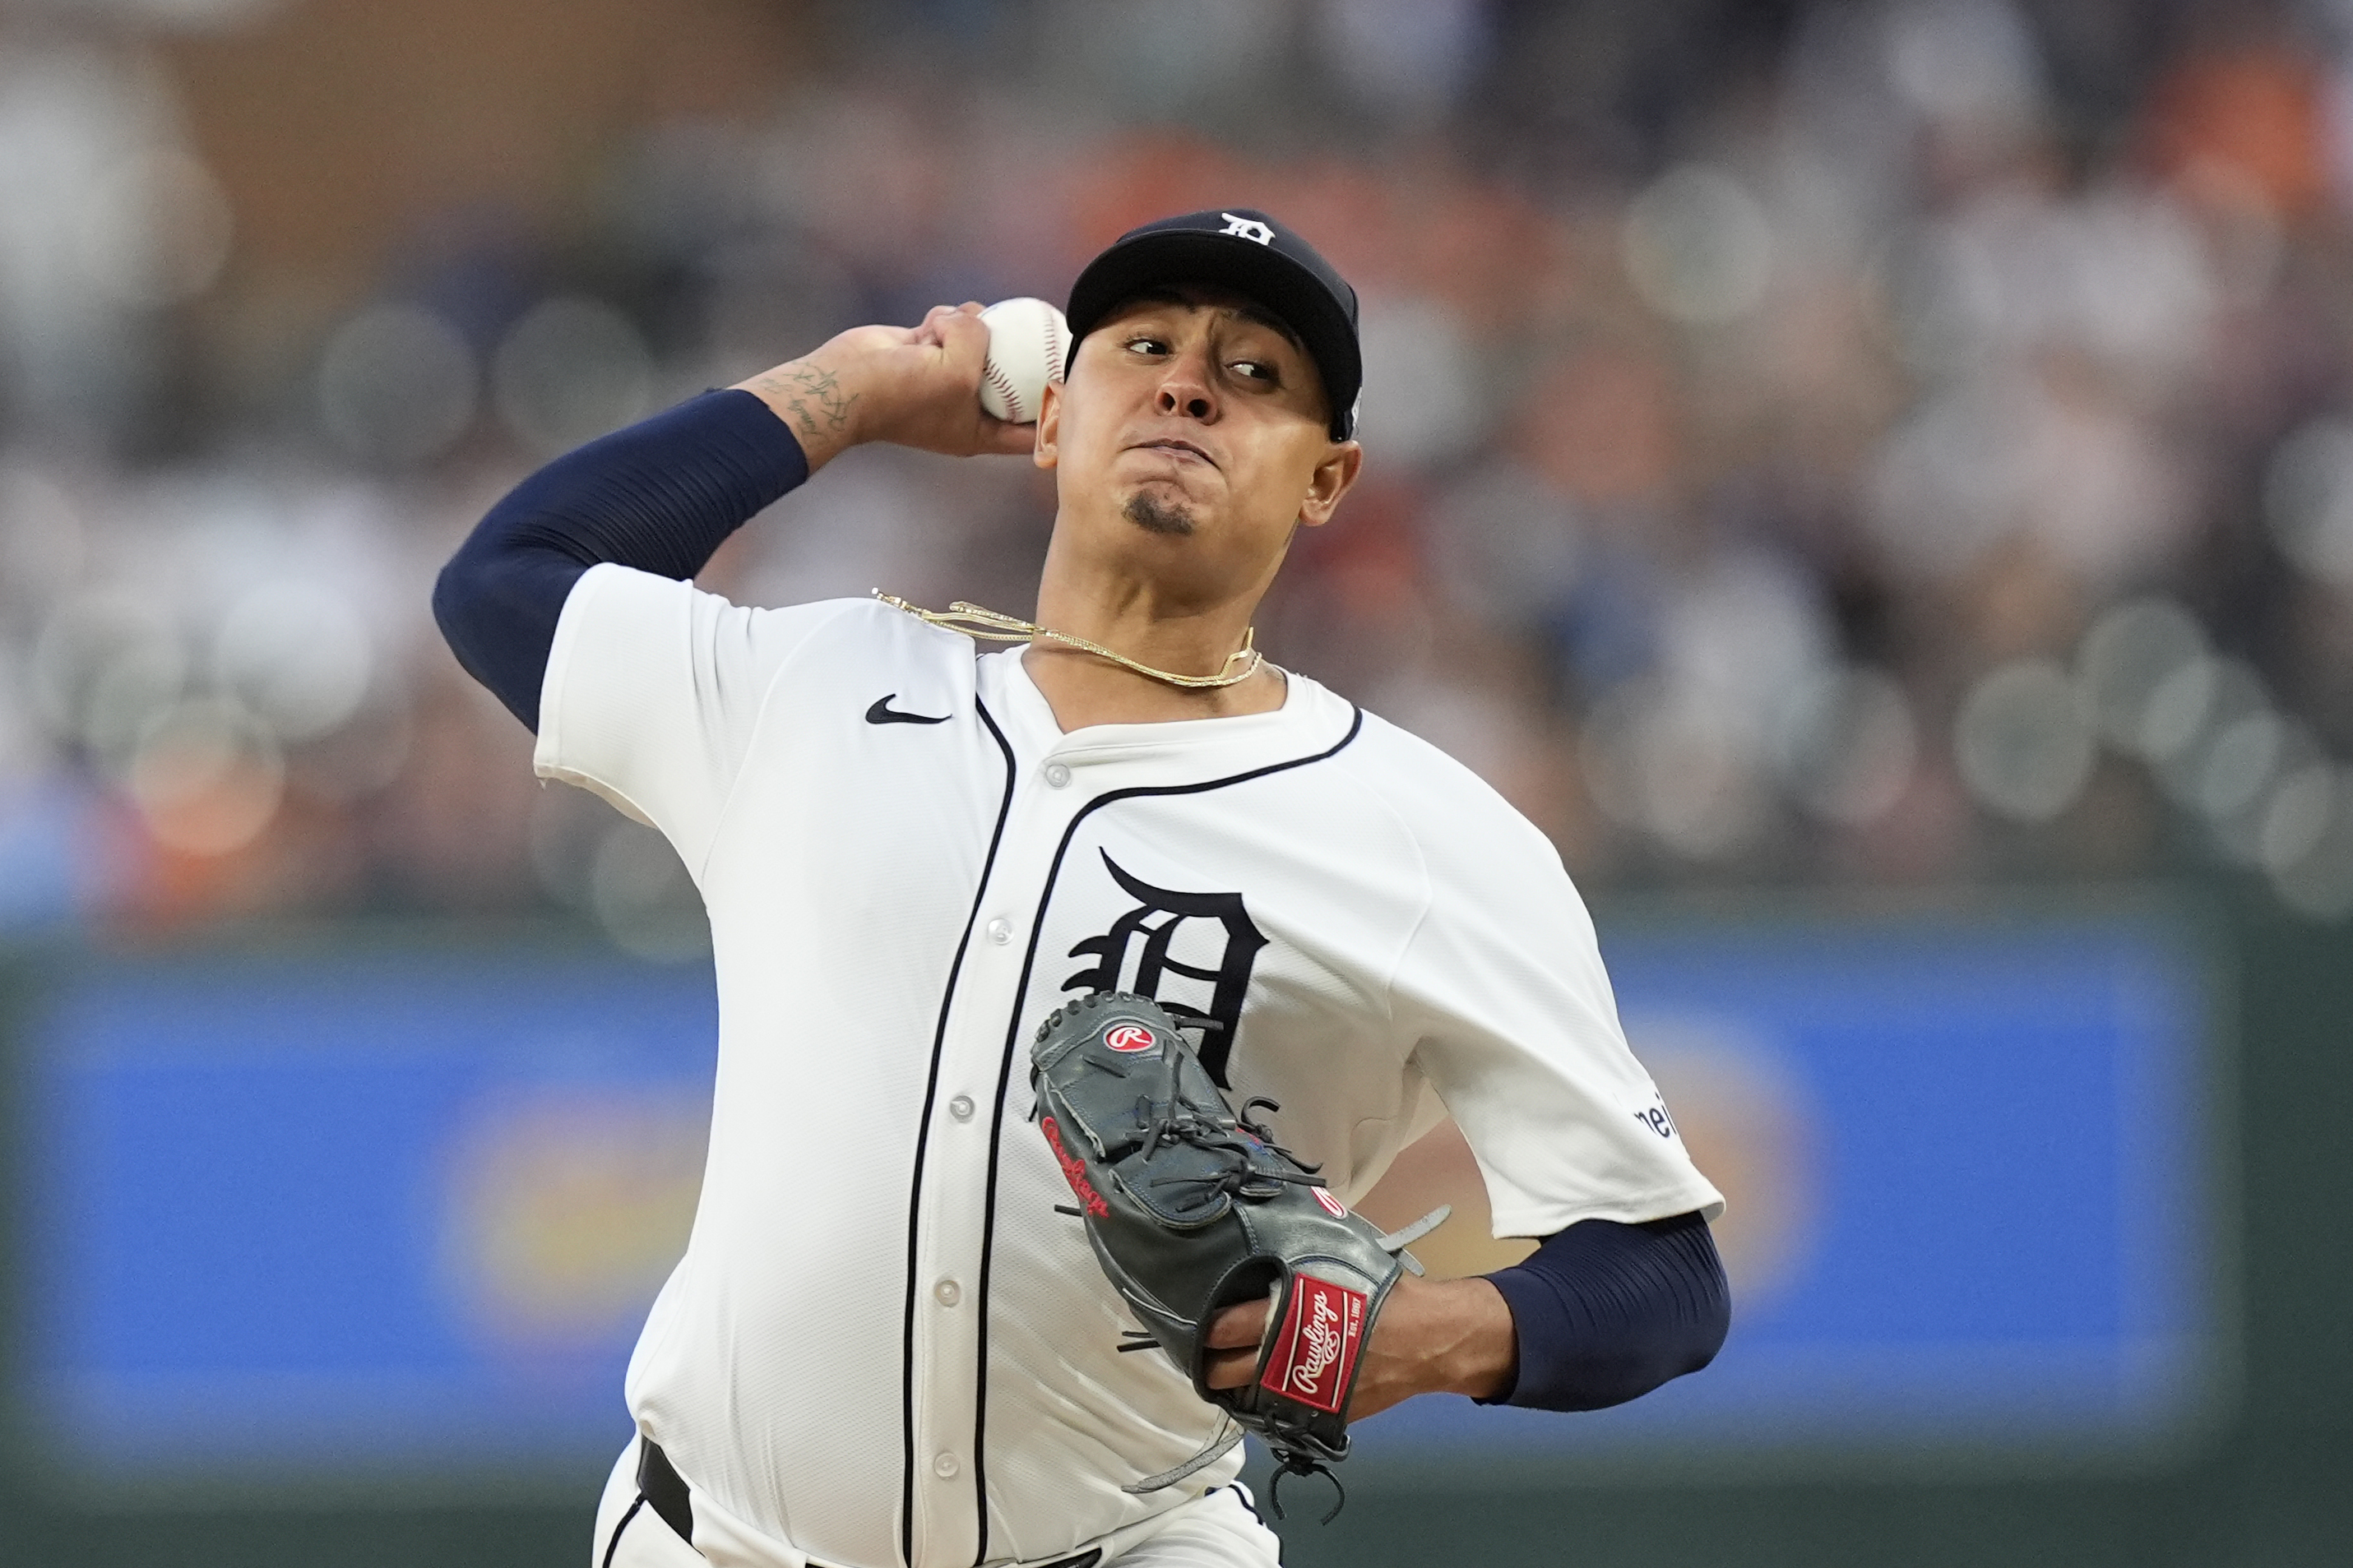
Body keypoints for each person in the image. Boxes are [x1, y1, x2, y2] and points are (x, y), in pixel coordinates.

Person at [435, 209, 1729, 1568]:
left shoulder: (1422, 839)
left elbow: (1660, 1270)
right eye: (1145, 346)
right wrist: (860, 389)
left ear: (1325, 480)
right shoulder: (813, 690)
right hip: (709, 1543)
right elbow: (505, 583)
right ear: (1051, 417)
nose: (1185, 385)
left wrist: (1445, 1335)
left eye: (1254, 377)